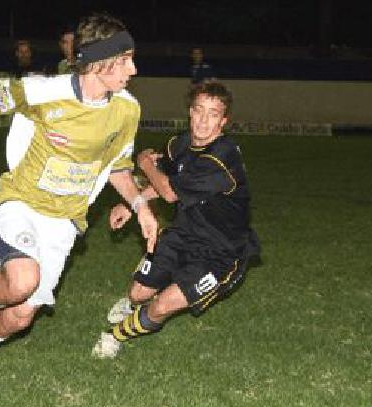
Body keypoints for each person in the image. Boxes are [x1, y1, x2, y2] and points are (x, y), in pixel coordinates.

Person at [0, 13, 158, 389]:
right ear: (99, 62)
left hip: (65, 222)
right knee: (21, 280)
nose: (134, 68)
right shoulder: (45, 92)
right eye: (125, 59)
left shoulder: (127, 109)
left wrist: (140, 206)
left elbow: (118, 166)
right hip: (23, 201)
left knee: (21, 315)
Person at [92, 81, 259, 359]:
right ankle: (132, 306)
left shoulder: (222, 159)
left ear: (224, 121)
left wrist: (145, 163)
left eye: (213, 114)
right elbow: (169, 181)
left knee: (161, 306)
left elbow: (169, 192)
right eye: (199, 111)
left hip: (220, 254)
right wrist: (132, 204)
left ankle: (114, 336)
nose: (204, 121)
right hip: (182, 235)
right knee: (138, 293)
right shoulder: (180, 144)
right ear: (190, 112)